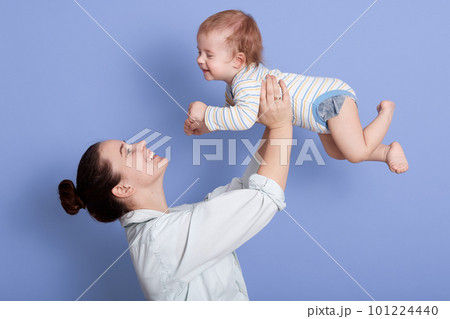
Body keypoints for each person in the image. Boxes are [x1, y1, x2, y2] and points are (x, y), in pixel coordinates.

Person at [59, 76, 293, 300]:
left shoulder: (172, 222)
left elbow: (245, 190)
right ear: (122, 189)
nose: (140, 144)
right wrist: (282, 124)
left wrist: (269, 119)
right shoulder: (161, 241)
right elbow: (263, 197)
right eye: (127, 152)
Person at [184, 9, 408, 174]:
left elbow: (243, 119)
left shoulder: (247, 84)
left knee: (356, 153)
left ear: (238, 60)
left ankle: (386, 113)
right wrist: (205, 126)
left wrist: (205, 111)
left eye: (208, 54)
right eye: (199, 52)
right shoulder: (236, 85)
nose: (199, 59)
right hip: (320, 112)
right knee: (338, 152)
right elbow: (232, 115)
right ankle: (385, 151)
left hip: (328, 99)